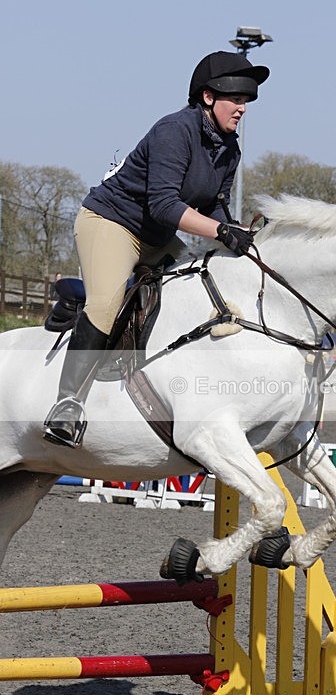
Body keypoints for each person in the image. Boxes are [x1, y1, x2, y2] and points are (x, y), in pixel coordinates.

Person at [43, 51, 269, 448]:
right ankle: (67, 405)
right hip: (111, 223)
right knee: (107, 303)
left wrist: (234, 233)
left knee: (199, 286)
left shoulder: (229, 148)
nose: (242, 109)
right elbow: (164, 204)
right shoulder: (173, 131)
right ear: (207, 97)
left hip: (157, 235)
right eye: (235, 99)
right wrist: (219, 230)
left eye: (246, 101)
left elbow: (213, 205)